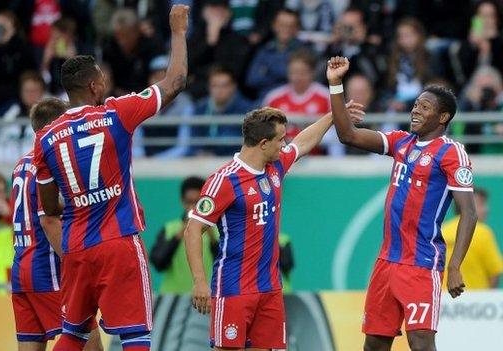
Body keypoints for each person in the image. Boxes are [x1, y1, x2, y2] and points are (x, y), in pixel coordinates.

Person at [34, 5, 189, 351]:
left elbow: (48, 207)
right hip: (117, 241)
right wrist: (178, 31)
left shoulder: (45, 137)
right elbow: (175, 81)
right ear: (94, 84)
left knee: (73, 334)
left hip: (75, 246)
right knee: (135, 335)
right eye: (102, 77)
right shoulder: (117, 113)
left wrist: (80, 196)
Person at [326, 56, 478, 351]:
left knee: (421, 343)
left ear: (443, 117)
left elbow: (469, 214)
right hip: (386, 262)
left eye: (424, 107)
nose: (415, 110)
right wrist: (335, 85)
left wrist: (455, 266)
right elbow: (348, 134)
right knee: (374, 345)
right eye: (416, 104)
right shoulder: (401, 143)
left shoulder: (451, 153)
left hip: (421, 264)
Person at [184, 104, 364, 350]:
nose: (284, 144)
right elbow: (193, 229)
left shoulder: (275, 168)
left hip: (269, 288)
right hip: (233, 288)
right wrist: (199, 282)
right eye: (281, 139)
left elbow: (302, 143)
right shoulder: (225, 180)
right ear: (263, 143)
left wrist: (333, 115)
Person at [11, 97, 102, 351]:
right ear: (54, 127)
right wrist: (77, 267)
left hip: (21, 268)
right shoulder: (48, 164)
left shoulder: (21, 164)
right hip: (47, 268)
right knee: (90, 345)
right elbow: (48, 220)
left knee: (31, 345)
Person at [149, 176, 217, 294]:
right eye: (189, 202)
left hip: (206, 298)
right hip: (173, 299)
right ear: (182, 201)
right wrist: (180, 235)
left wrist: (211, 237)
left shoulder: (216, 230)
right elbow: (158, 263)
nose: (193, 207)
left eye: (197, 202)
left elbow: (226, 264)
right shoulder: (170, 229)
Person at [442, 188, 503, 289]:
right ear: (467, 205)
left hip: (443, 299)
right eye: (481, 204)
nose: (486, 209)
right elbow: (494, 275)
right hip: (475, 301)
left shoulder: (442, 230)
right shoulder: (483, 232)